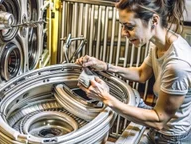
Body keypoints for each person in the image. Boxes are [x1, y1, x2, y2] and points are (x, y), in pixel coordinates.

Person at [76, 0, 191, 143]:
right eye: (123, 26)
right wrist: (105, 66)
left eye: (129, 27)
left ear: (154, 20)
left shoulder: (178, 65)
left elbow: (159, 120)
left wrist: (105, 98)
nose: (124, 33)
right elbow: (142, 74)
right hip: (155, 130)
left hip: (171, 138)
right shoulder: (159, 42)